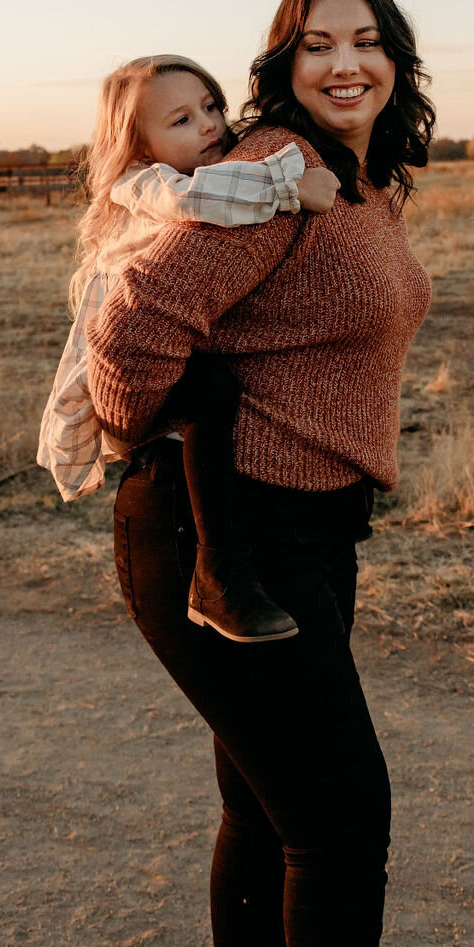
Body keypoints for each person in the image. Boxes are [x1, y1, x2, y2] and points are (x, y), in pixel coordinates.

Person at [87, 0, 435, 947]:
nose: (344, 62)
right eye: (318, 43)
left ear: (394, 57)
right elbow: (135, 321)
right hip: (224, 534)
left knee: (268, 806)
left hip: (315, 530)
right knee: (340, 824)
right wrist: (147, 429)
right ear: (286, 60)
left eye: (365, 40)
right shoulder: (276, 168)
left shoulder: (354, 181)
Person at [37, 53, 340, 640]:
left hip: (169, 348)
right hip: (121, 350)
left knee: (213, 393)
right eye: (180, 120)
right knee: (210, 391)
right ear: (139, 146)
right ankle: (216, 571)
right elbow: (198, 199)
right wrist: (288, 184)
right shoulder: (146, 183)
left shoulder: (200, 168)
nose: (209, 125)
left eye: (211, 106)